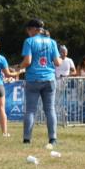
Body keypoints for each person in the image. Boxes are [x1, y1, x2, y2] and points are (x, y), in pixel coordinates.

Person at [19, 18, 61, 146]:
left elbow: (27, 61)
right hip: (49, 79)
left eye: (28, 30)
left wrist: (18, 67)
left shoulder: (29, 41)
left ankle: (27, 139)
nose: (27, 32)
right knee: (50, 110)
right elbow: (58, 62)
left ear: (33, 29)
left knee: (30, 110)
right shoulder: (52, 42)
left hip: (33, 79)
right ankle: (53, 139)